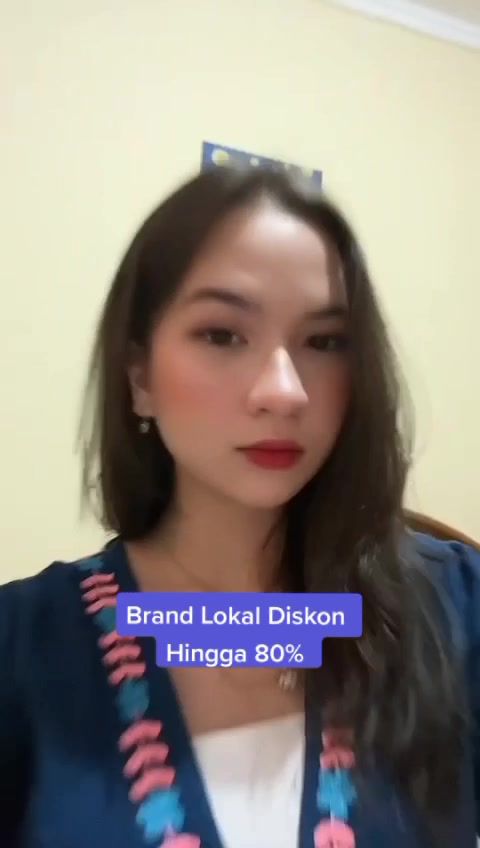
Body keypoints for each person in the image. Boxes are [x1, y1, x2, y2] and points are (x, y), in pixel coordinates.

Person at [0, 166, 479, 848]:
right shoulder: (23, 648)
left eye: (325, 341)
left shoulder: (455, 607)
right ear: (139, 375)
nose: (283, 391)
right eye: (222, 335)